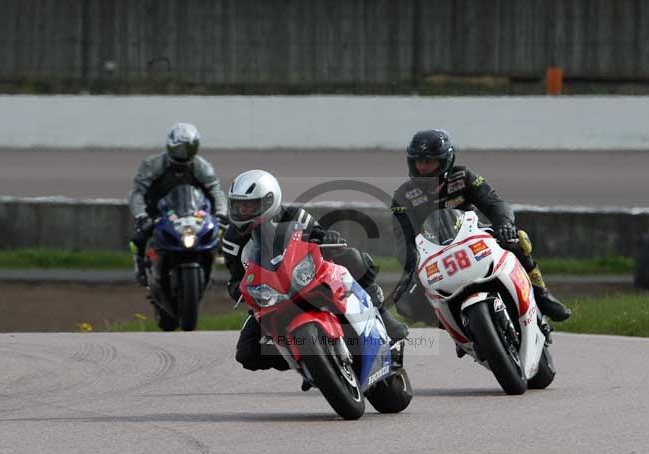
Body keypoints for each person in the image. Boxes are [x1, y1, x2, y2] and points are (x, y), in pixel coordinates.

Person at [222, 169, 409, 375]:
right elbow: (235, 279)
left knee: (352, 258)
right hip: (270, 297)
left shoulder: (293, 215)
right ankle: (309, 364)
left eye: (250, 205)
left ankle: (382, 314)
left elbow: (321, 236)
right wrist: (239, 290)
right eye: (239, 205)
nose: (244, 211)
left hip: (306, 277)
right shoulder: (231, 239)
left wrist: (330, 239)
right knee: (247, 353)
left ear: (269, 201)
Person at [391, 128, 572, 330]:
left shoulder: (463, 176)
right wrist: (411, 262)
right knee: (403, 302)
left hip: (474, 239)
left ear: (445, 160)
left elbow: (495, 203)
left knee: (517, 239)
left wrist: (504, 224)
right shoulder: (403, 196)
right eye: (419, 161)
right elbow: (402, 238)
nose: (423, 168)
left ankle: (542, 295)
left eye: (430, 161)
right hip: (434, 256)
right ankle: (456, 327)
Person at [127, 123, 228, 286]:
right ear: (170, 145)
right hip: (158, 214)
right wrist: (141, 215)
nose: (184, 153)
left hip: (193, 214)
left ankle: (214, 266)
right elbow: (137, 192)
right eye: (180, 148)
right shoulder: (153, 164)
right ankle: (139, 263)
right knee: (138, 238)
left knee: (219, 236)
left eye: (189, 148)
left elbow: (216, 191)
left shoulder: (202, 166)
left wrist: (221, 214)